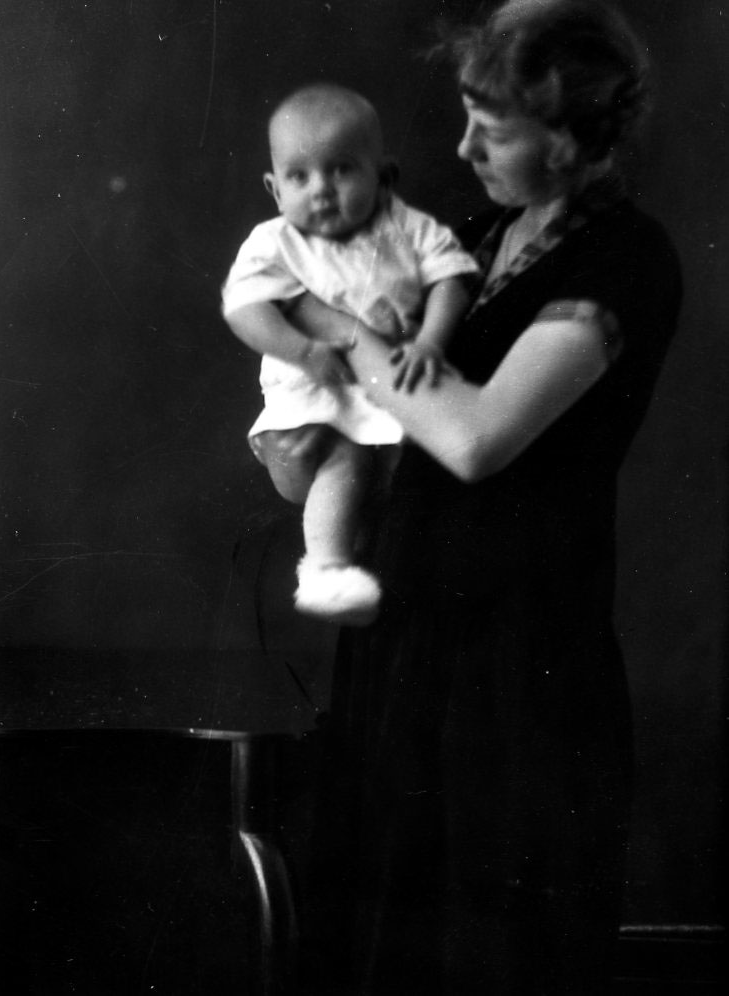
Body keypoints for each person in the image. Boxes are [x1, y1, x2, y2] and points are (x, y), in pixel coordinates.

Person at [277, 2, 682, 994]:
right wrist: (305, 437)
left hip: (518, 671)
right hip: (402, 648)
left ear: (573, 138)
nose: (462, 149)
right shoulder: (471, 239)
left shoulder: (624, 259)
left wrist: (330, 325)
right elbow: (373, 435)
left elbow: (475, 438)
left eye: (492, 131)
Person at [222, 83, 479, 625]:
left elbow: (451, 281)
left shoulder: (406, 227)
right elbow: (245, 309)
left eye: (341, 170)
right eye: (299, 176)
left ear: (384, 176)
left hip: (386, 395)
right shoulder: (275, 242)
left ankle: (378, 581)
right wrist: (303, 349)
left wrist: (430, 341)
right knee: (346, 462)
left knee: (404, 487)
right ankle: (325, 571)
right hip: (317, 395)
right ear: (274, 189)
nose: (320, 190)